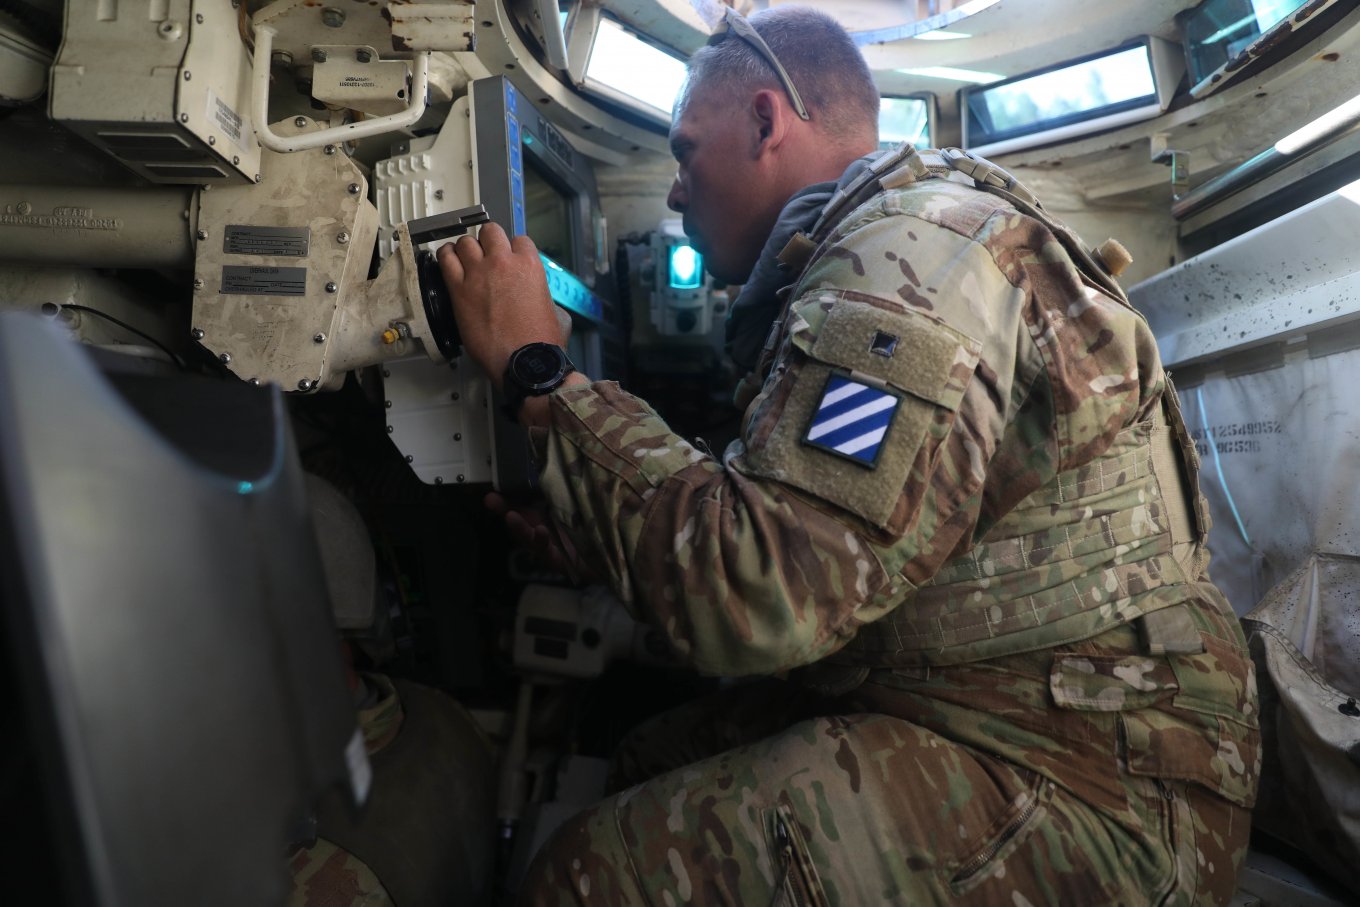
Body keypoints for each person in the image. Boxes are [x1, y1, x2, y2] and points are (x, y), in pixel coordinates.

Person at [438, 6, 1258, 905]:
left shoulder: (909, 260)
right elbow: (813, 543)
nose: (674, 192)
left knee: (586, 876)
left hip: (1098, 782)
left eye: (683, 152)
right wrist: (600, 537)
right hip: (996, 699)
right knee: (642, 753)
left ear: (764, 122)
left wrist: (537, 373)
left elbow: (763, 597)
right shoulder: (879, 244)